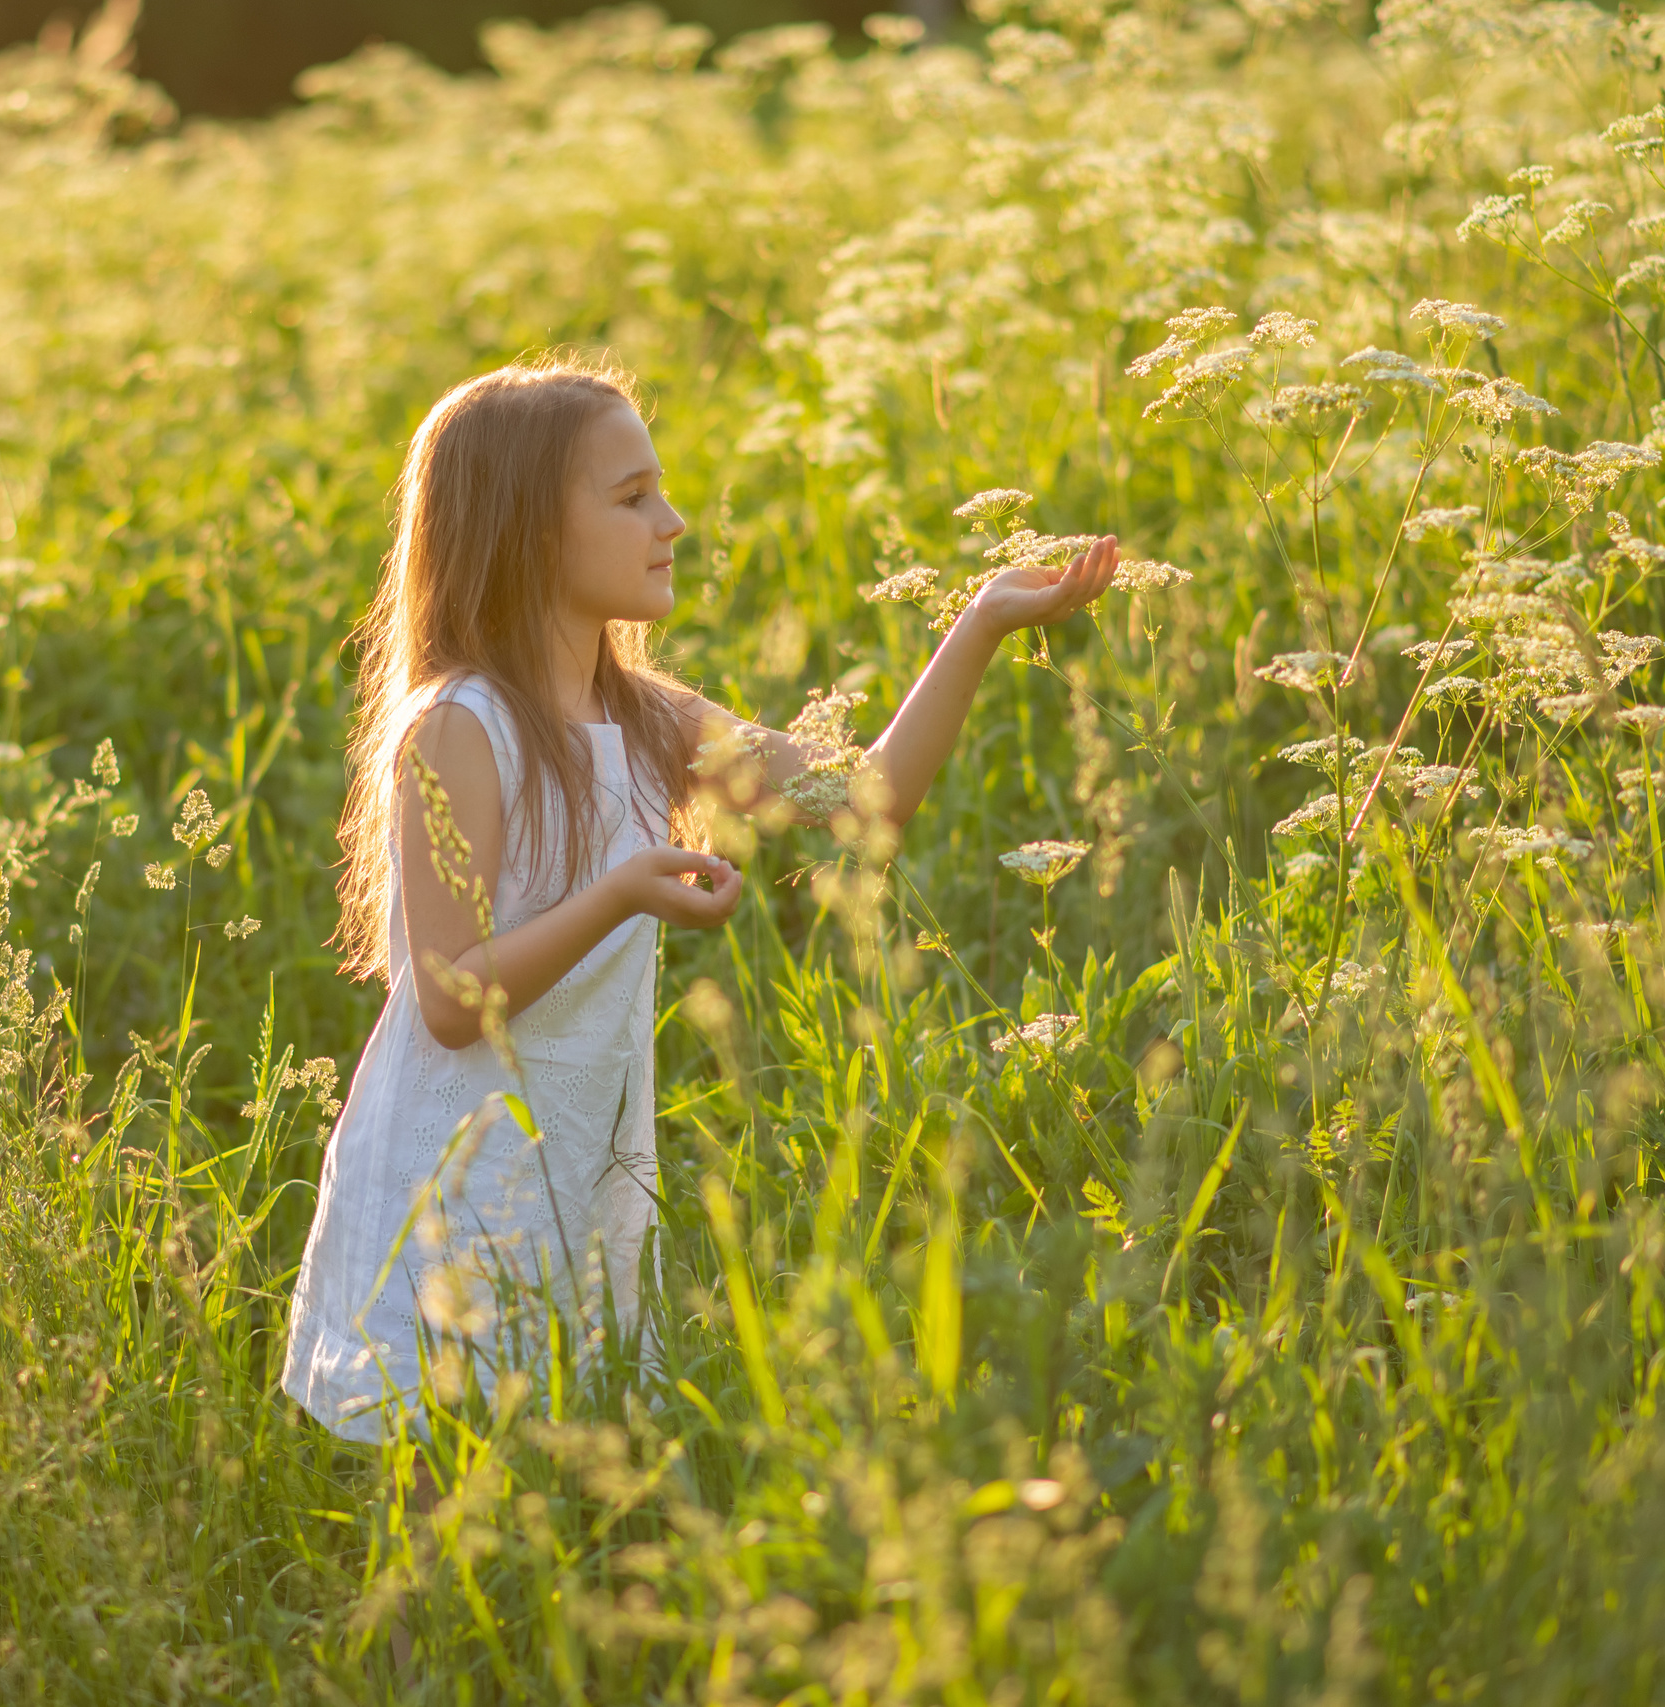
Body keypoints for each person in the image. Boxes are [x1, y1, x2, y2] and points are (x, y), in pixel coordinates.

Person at [278, 352, 1118, 1443]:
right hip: (454, 1172)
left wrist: (981, 623)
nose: (670, 522)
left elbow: (862, 802)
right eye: (632, 499)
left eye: (660, 491)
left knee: (558, 1486)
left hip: (577, 1162)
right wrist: (622, 893)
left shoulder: (649, 717)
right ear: (530, 533)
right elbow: (447, 1000)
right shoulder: (461, 726)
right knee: (447, 1514)